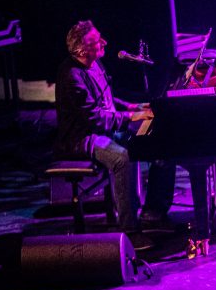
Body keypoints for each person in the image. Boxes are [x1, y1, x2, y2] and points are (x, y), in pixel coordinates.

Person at [54, 20, 176, 251]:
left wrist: (131, 107)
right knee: (122, 159)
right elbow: (95, 119)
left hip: (106, 128)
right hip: (83, 137)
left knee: (159, 145)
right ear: (81, 49)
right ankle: (130, 230)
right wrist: (130, 118)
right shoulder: (72, 76)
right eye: (96, 41)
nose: (104, 42)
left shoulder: (95, 64)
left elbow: (107, 100)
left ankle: (153, 212)